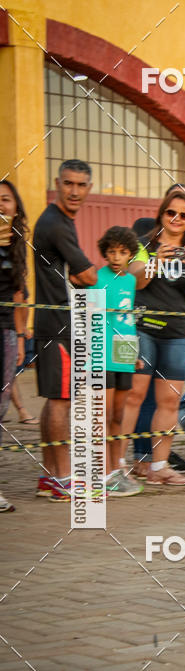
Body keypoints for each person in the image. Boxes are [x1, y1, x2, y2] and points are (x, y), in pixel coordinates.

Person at [120, 190, 185, 485]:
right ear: (161, 214)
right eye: (171, 213)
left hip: (177, 333)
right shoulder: (145, 244)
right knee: (134, 396)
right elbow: (135, 279)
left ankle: (158, 466)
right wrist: (156, 261)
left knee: (169, 401)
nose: (176, 219)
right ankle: (117, 464)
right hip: (144, 328)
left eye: (184, 215)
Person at [33, 159, 97, 502]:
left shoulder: (57, 220)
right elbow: (88, 276)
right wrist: (81, 274)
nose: (74, 191)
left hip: (52, 321)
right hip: (58, 324)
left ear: (89, 188)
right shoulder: (56, 224)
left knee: (53, 400)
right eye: (68, 183)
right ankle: (62, 478)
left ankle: (49, 476)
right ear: (57, 183)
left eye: (81, 185)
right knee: (61, 401)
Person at [91, 226, 144, 497]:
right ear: (105, 252)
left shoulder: (131, 281)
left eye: (122, 252)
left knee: (119, 416)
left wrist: (134, 353)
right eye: (111, 251)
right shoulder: (96, 278)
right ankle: (99, 472)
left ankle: (114, 470)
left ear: (130, 254)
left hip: (123, 356)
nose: (116, 257)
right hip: (101, 355)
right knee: (103, 415)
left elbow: (128, 320)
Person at [0, 180, 29, 511]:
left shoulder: (17, 245)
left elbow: (19, 293)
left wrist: (20, 337)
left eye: (6, 199)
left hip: (7, 330)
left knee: (1, 407)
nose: (1, 204)